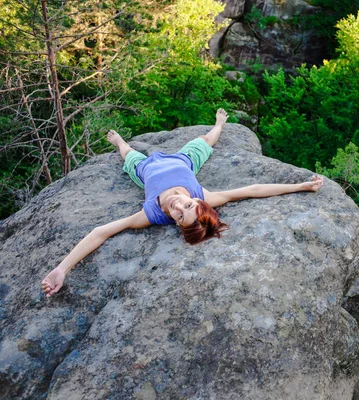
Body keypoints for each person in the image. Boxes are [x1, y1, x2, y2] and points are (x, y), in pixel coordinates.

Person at [41, 109, 324, 297]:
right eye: (188, 206)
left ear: (175, 223)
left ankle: (119, 142)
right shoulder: (202, 195)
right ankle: (220, 123)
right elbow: (253, 189)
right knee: (206, 140)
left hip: (145, 170)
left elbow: (101, 232)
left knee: (128, 154)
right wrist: (300, 185)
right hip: (184, 161)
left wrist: (62, 269)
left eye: (179, 216)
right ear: (197, 202)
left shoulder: (151, 214)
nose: (178, 206)